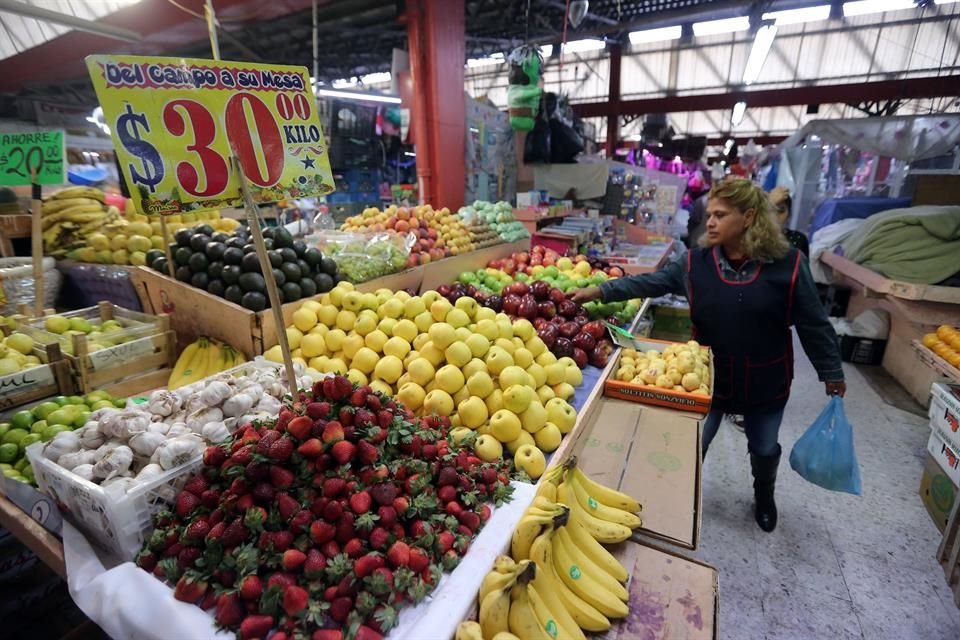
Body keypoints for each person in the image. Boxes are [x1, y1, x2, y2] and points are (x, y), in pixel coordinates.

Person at [570, 178, 845, 533]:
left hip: (766, 378)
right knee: (692, 445)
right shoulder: (694, 264)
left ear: (748, 217)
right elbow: (647, 283)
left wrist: (831, 371)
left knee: (763, 446)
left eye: (720, 214)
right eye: (709, 214)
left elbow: (813, 323)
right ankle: (676, 500)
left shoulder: (788, 265)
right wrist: (599, 289)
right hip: (704, 378)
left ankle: (764, 494)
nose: (710, 222)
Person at [769, 186, 809, 256]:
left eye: (781, 211)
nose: (776, 216)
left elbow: (803, 266)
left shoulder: (798, 239)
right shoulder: (754, 237)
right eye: (772, 210)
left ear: (789, 214)